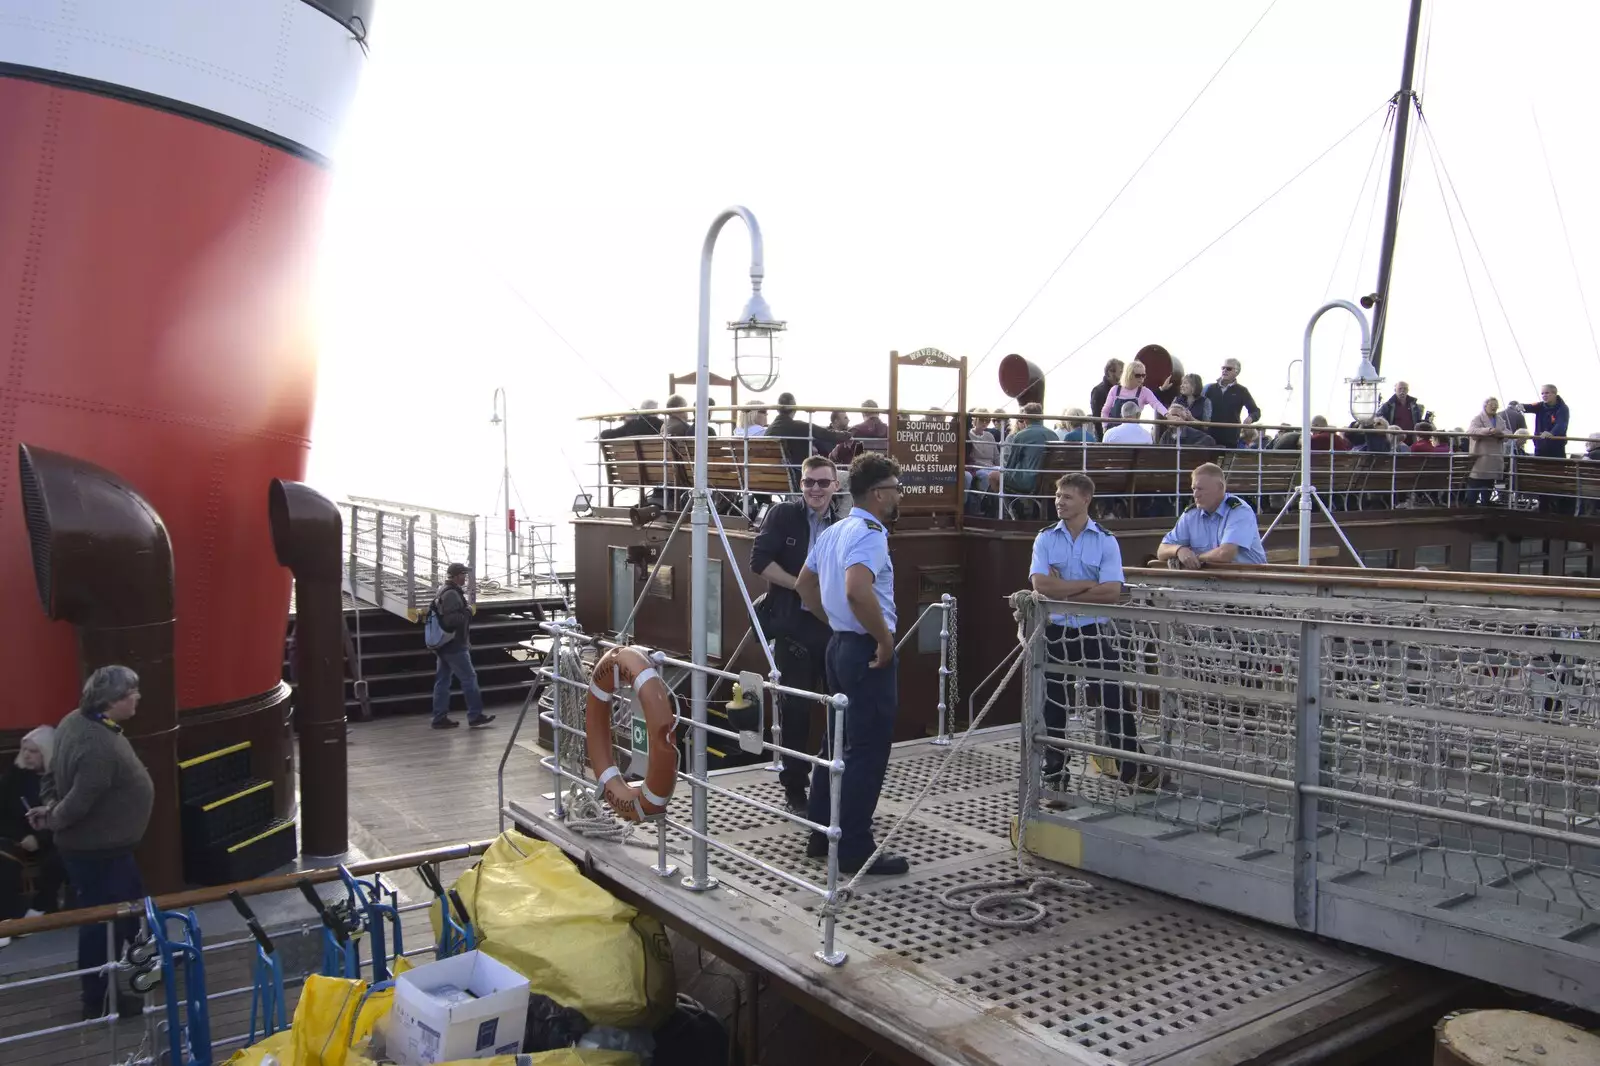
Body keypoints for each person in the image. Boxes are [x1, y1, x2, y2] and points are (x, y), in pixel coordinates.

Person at [796, 452, 907, 876]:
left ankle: (821, 834)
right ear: (879, 494)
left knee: (833, 743)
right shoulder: (870, 533)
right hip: (863, 650)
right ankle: (855, 846)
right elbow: (858, 589)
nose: (899, 496)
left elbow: (806, 585)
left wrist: (835, 622)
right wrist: (882, 639)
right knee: (866, 748)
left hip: (839, 644)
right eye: (895, 489)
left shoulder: (835, 530)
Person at [30, 667, 152, 1018]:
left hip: (104, 849)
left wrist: (50, 805)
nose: (138, 698)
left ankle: (148, 957)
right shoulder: (100, 745)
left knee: (131, 905)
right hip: (98, 852)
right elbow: (80, 802)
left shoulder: (72, 721)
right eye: (132, 694)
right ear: (112, 702)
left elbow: (50, 775)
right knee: (100, 923)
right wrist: (53, 816)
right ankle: (97, 998)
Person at [1028, 474, 1150, 791]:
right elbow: (1040, 586)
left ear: (1085, 500)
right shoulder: (1045, 538)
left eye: (1066, 496)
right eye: (1057, 495)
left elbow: (1111, 592)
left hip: (1093, 631)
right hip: (1056, 631)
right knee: (1054, 706)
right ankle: (1055, 774)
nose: (1059, 501)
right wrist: (1086, 584)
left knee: (1114, 698)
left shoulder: (1106, 540)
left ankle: (1132, 769)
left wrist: (1063, 591)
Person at [750, 456, 839, 814]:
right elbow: (759, 561)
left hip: (829, 625)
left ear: (836, 485)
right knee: (796, 710)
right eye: (808, 483)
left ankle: (828, 782)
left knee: (837, 706)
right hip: (794, 626)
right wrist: (800, 587)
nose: (815, 489)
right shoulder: (783, 515)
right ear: (800, 485)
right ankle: (794, 790)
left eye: (822, 482)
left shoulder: (842, 522)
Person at [1, 726, 65, 944]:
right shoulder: (15, 777)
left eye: (34, 751)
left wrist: (39, 839)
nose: (27, 755)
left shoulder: (61, 779)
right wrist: (22, 837)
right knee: (4, 861)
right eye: (25, 750)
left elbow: (66, 816)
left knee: (59, 859)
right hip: (18, 840)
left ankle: (40, 907)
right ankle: (6, 922)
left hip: (54, 839)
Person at [1156, 463, 1268, 568]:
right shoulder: (1192, 514)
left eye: (1200, 489)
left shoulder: (1239, 511)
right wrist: (1179, 550)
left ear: (1219, 487)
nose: (1195, 494)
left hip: (1249, 579)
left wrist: (1195, 558)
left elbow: (1225, 554)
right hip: (1211, 580)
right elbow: (1161, 550)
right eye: (1194, 489)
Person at [429, 563, 496, 729]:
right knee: (469, 679)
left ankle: (439, 717)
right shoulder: (452, 594)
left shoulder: (443, 589)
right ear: (457, 575)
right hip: (454, 644)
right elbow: (452, 620)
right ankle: (475, 715)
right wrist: (467, 612)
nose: (465, 577)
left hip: (443, 643)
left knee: (443, 680)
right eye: (463, 574)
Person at [1202, 359, 1261, 448]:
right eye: (1223, 368)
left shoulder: (1242, 391)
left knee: (1226, 461)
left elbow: (1256, 411)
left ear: (1236, 372)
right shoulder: (1210, 388)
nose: (1224, 370)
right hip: (1209, 435)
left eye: (1228, 368)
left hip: (1230, 438)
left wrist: (1250, 418)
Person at [1100, 360, 1170, 422]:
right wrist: (1105, 427)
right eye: (1138, 375)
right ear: (1129, 375)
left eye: (1143, 375)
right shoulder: (1115, 390)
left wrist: (1168, 415)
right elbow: (1105, 411)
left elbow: (1156, 404)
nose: (1141, 378)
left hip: (1132, 431)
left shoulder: (1144, 391)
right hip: (1114, 432)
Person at [1466, 397, 1506, 506]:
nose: (1494, 407)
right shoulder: (1477, 419)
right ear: (1485, 406)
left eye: (1496, 405)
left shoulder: (1500, 420)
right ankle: (1470, 507)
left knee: (1489, 484)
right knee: (1475, 483)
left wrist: (1501, 434)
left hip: (1494, 458)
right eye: (1491, 404)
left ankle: (1486, 504)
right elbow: (1471, 431)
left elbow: (1507, 432)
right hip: (1481, 458)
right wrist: (1489, 431)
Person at [1524, 384, 1571, 458]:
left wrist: (1551, 433)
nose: (1544, 395)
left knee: (1555, 468)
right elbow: (1529, 407)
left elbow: (1561, 424)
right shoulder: (1540, 405)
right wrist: (1518, 406)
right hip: (1540, 445)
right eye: (1542, 393)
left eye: (1547, 393)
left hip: (1556, 447)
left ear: (1554, 394)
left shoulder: (1562, 408)